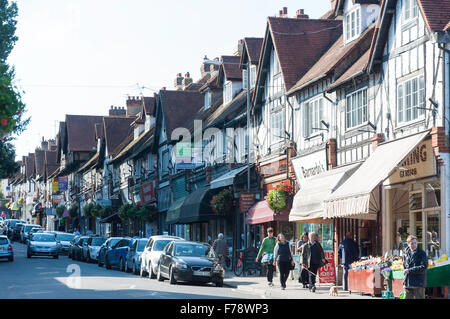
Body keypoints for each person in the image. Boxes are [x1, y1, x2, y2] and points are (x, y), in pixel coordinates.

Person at [403, 235, 428, 299]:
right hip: (408, 282)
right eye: (412, 243)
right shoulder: (405, 253)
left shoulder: (422, 253)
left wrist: (409, 270)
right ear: (408, 244)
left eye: (415, 243)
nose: (414, 245)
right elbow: (404, 265)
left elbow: (423, 266)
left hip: (418, 282)